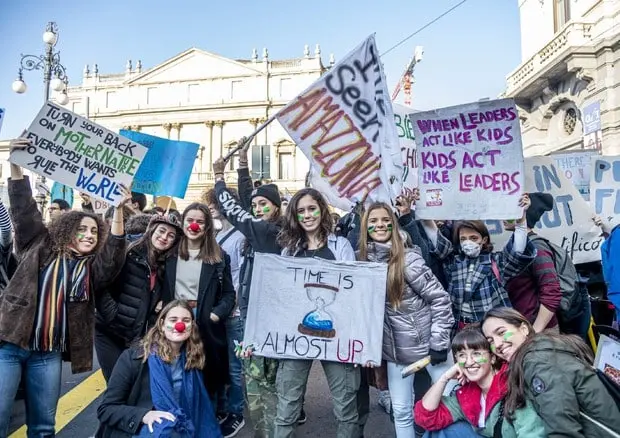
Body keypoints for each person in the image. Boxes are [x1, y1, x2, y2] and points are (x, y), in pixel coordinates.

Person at [0, 137, 129, 437]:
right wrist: (16, 164)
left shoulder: (92, 269)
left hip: (48, 354)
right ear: (66, 229)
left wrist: (119, 210)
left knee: (44, 427)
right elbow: (23, 208)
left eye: (94, 231)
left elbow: (115, 253)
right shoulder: (38, 243)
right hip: (9, 345)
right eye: (81, 229)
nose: (88, 235)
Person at [358, 202, 454, 438]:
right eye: (373, 221)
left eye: (384, 219)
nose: (379, 225)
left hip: (430, 349)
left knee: (451, 404)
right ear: (365, 228)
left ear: (393, 223)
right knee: (401, 411)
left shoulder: (408, 259)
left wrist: (439, 343)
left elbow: (440, 299)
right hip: (396, 354)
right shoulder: (362, 262)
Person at [274, 187, 360, 438]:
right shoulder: (289, 249)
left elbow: (353, 290)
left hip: (337, 335)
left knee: (345, 405)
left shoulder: (340, 245)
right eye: (301, 211)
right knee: (287, 405)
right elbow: (283, 293)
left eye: (312, 208)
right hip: (295, 336)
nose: (307, 215)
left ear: (322, 210)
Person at [213, 143, 286, 437]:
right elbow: (247, 202)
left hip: (264, 314)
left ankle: (270, 426)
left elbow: (235, 210)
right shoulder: (268, 225)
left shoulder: (269, 231)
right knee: (264, 375)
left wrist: (219, 177)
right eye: (255, 207)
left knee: (260, 378)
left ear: (277, 208)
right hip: (259, 309)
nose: (257, 210)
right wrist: (243, 166)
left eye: (263, 206)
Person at [481, 306, 620, 437]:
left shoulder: (538, 362)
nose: (497, 344)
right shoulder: (544, 348)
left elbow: (563, 428)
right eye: (491, 341)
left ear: (524, 329)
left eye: (501, 333)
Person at [96, 300, 223, 437]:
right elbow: (106, 409)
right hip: (143, 431)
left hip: (183, 427)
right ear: (162, 325)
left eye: (186, 320)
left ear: (192, 326)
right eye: (173, 320)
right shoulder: (134, 359)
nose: (179, 325)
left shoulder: (195, 359)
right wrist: (144, 415)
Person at [161, 204, 236, 404]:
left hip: (204, 321)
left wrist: (215, 314)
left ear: (207, 226)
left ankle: (208, 418)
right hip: (175, 318)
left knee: (206, 372)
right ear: (183, 223)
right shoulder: (168, 254)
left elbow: (229, 294)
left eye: (200, 222)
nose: (194, 226)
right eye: (190, 221)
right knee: (175, 370)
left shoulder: (219, 257)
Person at [425, 194, 536, 328]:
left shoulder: (496, 262)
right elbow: (436, 240)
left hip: (491, 329)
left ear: (484, 240)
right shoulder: (453, 263)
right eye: (463, 239)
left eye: (473, 238)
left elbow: (517, 251)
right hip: (461, 330)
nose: (468, 242)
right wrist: (423, 210)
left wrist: (521, 220)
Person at [95, 213, 183, 381]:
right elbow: (100, 283)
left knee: (135, 385)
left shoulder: (167, 265)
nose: (164, 237)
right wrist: (113, 314)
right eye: (161, 231)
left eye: (171, 235)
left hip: (138, 336)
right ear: (151, 230)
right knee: (116, 384)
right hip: (110, 332)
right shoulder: (129, 252)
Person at [414, 327, 546, 437]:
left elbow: (532, 433)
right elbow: (425, 417)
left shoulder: (510, 386)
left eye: (476, 354)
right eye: (462, 355)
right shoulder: (469, 393)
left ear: (492, 358)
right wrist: (444, 378)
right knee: (438, 432)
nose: (469, 362)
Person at [204, 188, 248, 436]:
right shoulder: (215, 235)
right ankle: (221, 407)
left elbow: (241, 277)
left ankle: (236, 412)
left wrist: (232, 306)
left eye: (215, 203)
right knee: (219, 363)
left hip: (233, 313)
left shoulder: (241, 237)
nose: (211, 208)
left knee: (234, 366)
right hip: (216, 313)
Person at [504, 193, 562, 332]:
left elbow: (552, 292)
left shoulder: (536, 247)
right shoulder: (517, 244)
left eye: (509, 212)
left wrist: (535, 332)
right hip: (524, 327)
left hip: (540, 332)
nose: (503, 217)